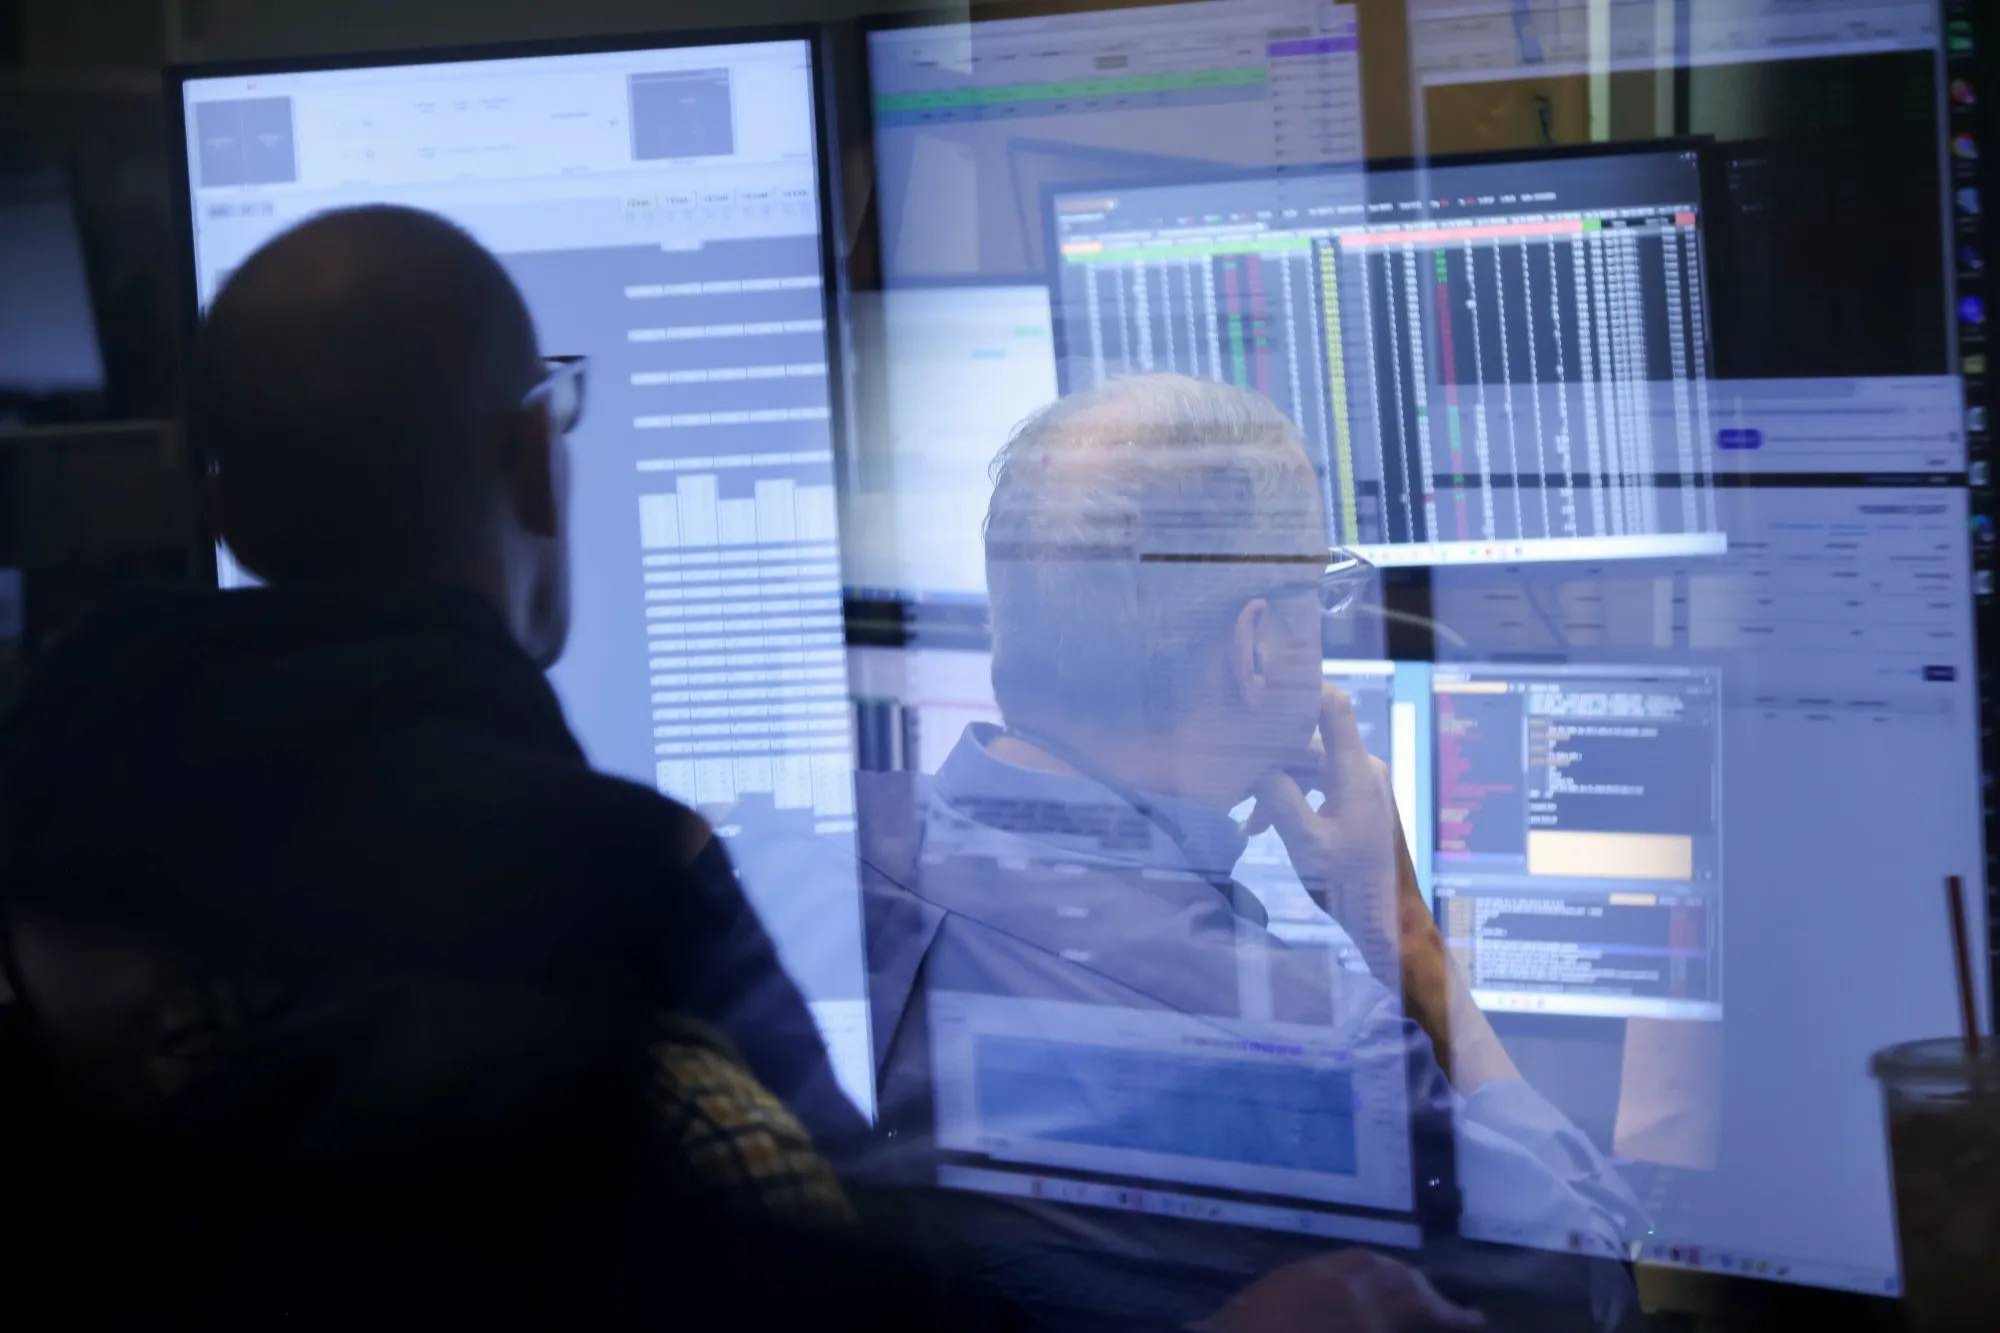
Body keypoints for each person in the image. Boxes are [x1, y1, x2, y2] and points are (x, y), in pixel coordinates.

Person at [0, 208, 1481, 1332]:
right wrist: (1402, 939)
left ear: (224, 512)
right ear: (528, 464)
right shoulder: (610, 891)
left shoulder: (50, 843)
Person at [838, 375, 1646, 1328]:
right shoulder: (1307, 1045)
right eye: (1320, 594)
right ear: (1259, 645)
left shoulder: (803, 873)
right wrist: (1409, 943)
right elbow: (1588, 1281)